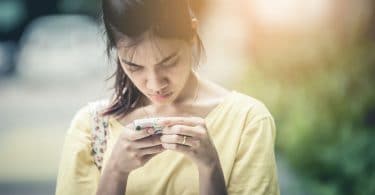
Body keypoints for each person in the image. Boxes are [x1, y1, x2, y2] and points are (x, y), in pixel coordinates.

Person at [55, 0, 280, 194]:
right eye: (134, 66)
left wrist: (210, 167)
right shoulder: (91, 128)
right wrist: (115, 170)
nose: (155, 84)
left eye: (169, 62)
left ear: (192, 33)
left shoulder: (246, 121)